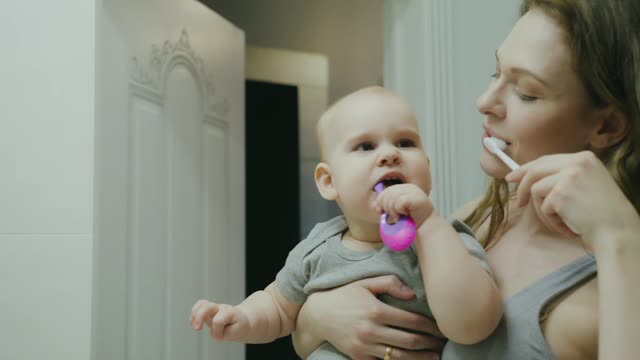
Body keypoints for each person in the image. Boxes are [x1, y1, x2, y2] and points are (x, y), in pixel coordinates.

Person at [291, 1, 640, 359]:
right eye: (496, 74)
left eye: (526, 93)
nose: (484, 101)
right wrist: (318, 319)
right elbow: (308, 337)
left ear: (607, 126)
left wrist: (621, 240)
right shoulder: (481, 217)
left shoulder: (610, 284)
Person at [190, 86, 503, 359]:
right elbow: (276, 307)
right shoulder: (316, 249)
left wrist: (430, 225)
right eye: (366, 146)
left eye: (405, 143)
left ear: (428, 171)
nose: (390, 154)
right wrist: (240, 318)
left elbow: (474, 324)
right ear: (329, 182)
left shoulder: (446, 241)